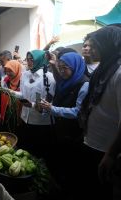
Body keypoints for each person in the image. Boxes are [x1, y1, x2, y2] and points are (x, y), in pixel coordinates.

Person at [78, 25, 121, 200]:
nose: (91, 49)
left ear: (108, 45)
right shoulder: (104, 68)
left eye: (96, 45)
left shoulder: (119, 72)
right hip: (93, 142)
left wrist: (111, 154)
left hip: (107, 150)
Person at [39, 52, 89, 197]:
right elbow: (56, 103)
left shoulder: (84, 84)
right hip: (60, 130)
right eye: (59, 68)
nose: (61, 71)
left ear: (75, 67)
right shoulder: (63, 82)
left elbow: (78, 112)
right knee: (59, 163)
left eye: (65, 68)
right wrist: (46, 108)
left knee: (71, 167)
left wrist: (52, 109)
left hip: (74, 134)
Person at [13, 50, 56, 162]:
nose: (29, 62)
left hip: (40, 121)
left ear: (40, 59)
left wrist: (32, 104)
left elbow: (48, 101)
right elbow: (22, 94)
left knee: (38, 153)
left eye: (32, 59)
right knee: (26, 151)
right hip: (25, 118)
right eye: (27, 59)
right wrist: (10, 92)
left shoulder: (49, 77)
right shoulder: (25, 74)